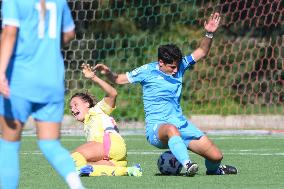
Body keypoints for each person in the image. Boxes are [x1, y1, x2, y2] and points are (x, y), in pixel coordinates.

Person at [93, 12, 238, 176]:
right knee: (170, 129)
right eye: (172, 67)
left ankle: (214, 170)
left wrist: (209, 33)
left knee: (216, 156)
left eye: (177, 67)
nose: (176, 70)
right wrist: (107, 72)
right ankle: (188, 164)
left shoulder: (180, 65)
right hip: (157, 129)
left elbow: (202, 51)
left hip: (181, 125)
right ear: (161, 62)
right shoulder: (147, 71)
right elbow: (119, 79)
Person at [0, 0, 85, 188]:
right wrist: (47, 48)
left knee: (8, 145)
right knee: (50, 144)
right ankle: (76, 185)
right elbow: (70, 33)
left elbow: (10, 32)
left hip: (20, 79)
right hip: (52, 79)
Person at [69, 63, 142, 177]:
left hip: (109, 144)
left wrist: (94, 77)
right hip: (117, 155)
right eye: (71, 107)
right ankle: (128, 170)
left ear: (87, 103)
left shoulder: (97, 109)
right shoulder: (87, 123)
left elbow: (113, 93)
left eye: (75, 104)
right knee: (81, 167)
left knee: (72, 159)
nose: (73, 109)